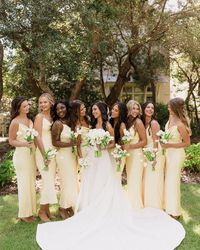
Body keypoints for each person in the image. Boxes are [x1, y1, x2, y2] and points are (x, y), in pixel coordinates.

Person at [36, 100, 185, 250]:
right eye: (92, 109)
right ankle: (90, 209)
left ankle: (107, 209)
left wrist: (102, 146)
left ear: (101, 110)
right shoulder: (93, 125)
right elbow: (82, 140)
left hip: (104, 158)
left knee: (105, 182)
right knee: (92, 183)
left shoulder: (107, 125)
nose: (93, 111)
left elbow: (113, 143)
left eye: (95, 109)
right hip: (93, 158)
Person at [9, 96, 36, 222]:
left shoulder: (29, 119)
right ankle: (25, 214)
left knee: (30, 183)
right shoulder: (15, 122)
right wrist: (24, 144)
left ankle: (30, 211)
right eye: (24, 106)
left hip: (31, 156)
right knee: (24, 184)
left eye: (28, 105)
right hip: (21, 156)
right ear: (18, 108)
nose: (27, 108)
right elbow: (11, 140)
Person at [162, 97, 190, 219]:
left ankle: (175, 212)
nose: (168, 108)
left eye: (170, 107)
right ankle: (169, 207)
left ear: (175, 108)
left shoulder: (180, 124)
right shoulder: (171, 118)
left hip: (177, 154)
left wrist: (169, 145)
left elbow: (187, 143)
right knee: (168, 181)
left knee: (173, 182)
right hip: (168, 153)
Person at [51, 100, 78, 219]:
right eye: (57, 109)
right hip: (63, 156)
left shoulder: (72, 122)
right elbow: (55, 142)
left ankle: (70, 205)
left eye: (62, 108)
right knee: (66, 181)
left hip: (72, 156)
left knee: (72, 181)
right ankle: (62, 207)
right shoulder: (57, 123)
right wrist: (71, 144)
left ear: (67, 108)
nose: (60, 111)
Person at [34, 93, 57, 222]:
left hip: (52, 151)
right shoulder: (39, 117)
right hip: (43, 151)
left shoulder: (52, 117)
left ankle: (47, 209)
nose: (42, 105)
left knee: (50, 181)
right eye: (40, 102)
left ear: (50, 103)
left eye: (45, 102)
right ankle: (41, 211)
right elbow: (37, 136)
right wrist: (44, 155)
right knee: (47, 180)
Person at [123, 100, 147, 209]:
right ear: (128, 109)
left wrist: (130, 147)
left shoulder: (138, 122)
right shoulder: (127, 122)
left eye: (137, 109)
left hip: (137, 155)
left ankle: (136, 206)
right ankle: (131, 203)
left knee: (135, 180)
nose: (136, 111)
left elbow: (144, 141)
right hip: (129, 156)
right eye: (133, 108)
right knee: (131, 179)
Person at [141, 101, 165, 209]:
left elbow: (156, 141)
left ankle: (154, 204)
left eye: (152, 108)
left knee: (153, 178)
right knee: (146, 178)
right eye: (148, 107)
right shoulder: (142, 123)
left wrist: (154, 157)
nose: (150, 109)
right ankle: (146, 202)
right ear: (144, 108)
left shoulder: (154, 123)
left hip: (154, 152)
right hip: (146, 152)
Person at [109, 101, 127, 180]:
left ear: (121, 113)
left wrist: (119, 158)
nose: (112, 111)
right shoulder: (110, 122)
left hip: (118, 154)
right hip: (110, 152)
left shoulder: (122, 125)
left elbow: (123, 143)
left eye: (116, 110)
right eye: (112, 109)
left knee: (115, 177)